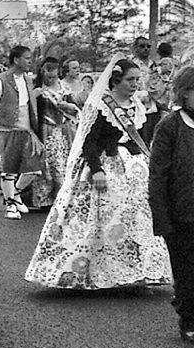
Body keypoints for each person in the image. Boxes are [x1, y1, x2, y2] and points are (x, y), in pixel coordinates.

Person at [25, 56, 172, 289]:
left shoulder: (138, 106)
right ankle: (91, 272)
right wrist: (96, 170)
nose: (135, 84)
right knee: (98, 221)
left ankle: (136, 271)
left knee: (136, 220)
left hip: (133, 170)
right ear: (116, 81)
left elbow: (142, 139)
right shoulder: (101, 105)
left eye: (137, 80)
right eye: (130, 80)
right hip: (104, 167)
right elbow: (89, 142)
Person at [149, 66, 194, 343]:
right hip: (182, 216)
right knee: (187, 272)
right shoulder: (170, 126)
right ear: (184, 94)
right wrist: (162, 219)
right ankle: (188, 317)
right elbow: (157, 177)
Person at [0, 45, 43, 220]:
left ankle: (14, 194)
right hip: (6, 131)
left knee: (34, 168)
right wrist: (0, 126)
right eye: (26, 58)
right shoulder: (1, 81)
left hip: (26, 130)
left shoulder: (28, 80)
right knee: (8, 170)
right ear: (16, 60)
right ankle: (10, 204)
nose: (29, 62)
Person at [30, 57, 79, 209]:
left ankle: (63, 196)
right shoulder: (37, 88)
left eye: (54, 76)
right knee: (47, 163)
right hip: (46, 128)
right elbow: (29, 109)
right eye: (48, 76)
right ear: (43, 73)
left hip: (63, 129)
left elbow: (74, 107)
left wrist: (69, 106)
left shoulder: (63, 88)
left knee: (62, 162)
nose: (52, 79)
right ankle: (44, 198)